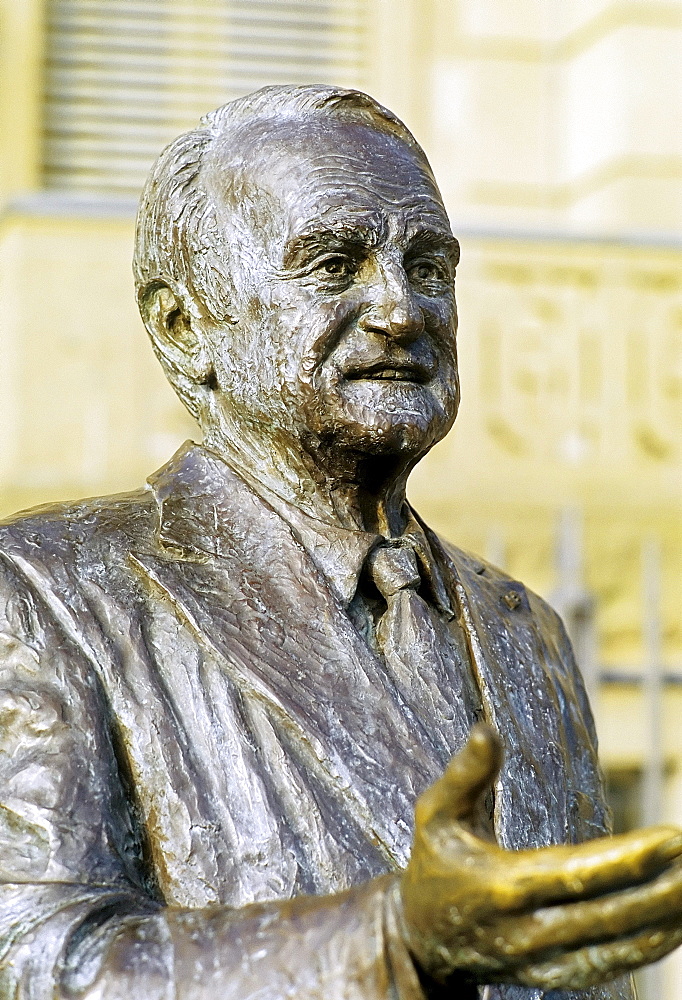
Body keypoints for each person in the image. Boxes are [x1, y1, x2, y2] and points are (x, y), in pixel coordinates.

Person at [0, 85, 681, 1000]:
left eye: (430, 266)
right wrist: (389, 939)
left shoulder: (530, 633)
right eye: (333, 265)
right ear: (185, 325)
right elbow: (37, 961)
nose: (402, 309)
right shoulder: (49, 591)